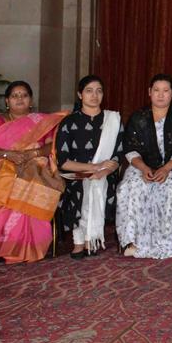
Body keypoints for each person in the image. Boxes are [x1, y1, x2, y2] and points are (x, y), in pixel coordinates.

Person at [0, 80, 65, 263]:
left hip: (33, 165)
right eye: (14, 96)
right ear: (7, 101)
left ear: (30, 100)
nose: (19, 99)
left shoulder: (42, 122)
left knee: (23, 188)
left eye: (24, 95)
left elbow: (52, 147)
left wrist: (33, 153)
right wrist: (7, 154)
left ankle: (15, 248)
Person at [117, 74, 172, 259]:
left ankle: (167, 242)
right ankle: (133, 242)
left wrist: (165, 169)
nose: (161, 95)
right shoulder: (138, 118)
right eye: (156, 90)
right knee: (130, 187)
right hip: (141, 166)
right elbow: (130, 149)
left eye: (166, 90)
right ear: (149, 92)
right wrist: (144, 168)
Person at [55, 74, 123, 258]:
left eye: (99, 91)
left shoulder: (113, 120)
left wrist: (105, 170)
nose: (94, 95)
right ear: (80, 94)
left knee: (98, 184)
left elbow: (118, 154)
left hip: (106, 175)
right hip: (75, 174)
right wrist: (93, 168)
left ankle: (90, 240)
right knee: (80, 186)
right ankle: (79, 241)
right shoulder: (68, 123)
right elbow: (63, 161)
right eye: (89, 91)